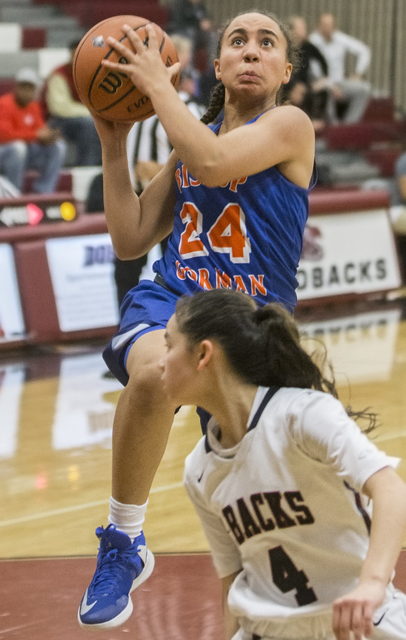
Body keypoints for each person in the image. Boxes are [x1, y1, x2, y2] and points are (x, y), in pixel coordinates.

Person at [77, 10, 315, 630]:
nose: (252, 51)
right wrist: (113, 139)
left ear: (285, 70)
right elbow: (130, 237)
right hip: (176, 300)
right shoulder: (191, 139)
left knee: (274, 512)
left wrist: (158, 87)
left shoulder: (289, 125)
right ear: (219, 64)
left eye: (268, 43)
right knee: (157, 370)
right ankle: (124, 541)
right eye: (238, 41)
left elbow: (213, 162)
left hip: (253, 320)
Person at [160, 287, 406, 640]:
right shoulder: (199, 469)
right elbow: (233, 582)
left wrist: (372, 584)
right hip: (267, 632)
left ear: (203, 353)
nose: (159, 361)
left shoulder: (302, 416)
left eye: (169, 345)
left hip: (358, 623)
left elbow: (390, 489)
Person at [0, 68, 66, 194]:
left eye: (30, 88)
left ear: (35, 90)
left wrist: (48, 136)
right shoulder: (4, 104)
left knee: (58, 146)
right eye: (23, 87)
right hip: (5, 152)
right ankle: (14, 194)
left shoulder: (33, 106)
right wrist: (36, 135)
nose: (26, 91)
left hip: (27, 152)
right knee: (18, 147)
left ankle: (44, 191)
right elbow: (4, 135)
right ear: (16, 87)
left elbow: (40, 128)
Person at [43, 40, 102, 166]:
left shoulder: (92, 73)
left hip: (81, 117)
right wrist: (93, 112)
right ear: (70, 54)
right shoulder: (60, 74)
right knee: (90, 123)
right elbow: (59, 108)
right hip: (57, 121)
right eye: (75, 54)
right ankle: (87, 166)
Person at [309, 13, 371, 124]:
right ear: (318, 26)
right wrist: (331, 86)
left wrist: (358, 73)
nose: (327, 28)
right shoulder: (312, 42)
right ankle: (334, 127)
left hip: (340, 82)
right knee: (325, 93)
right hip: (321, 83)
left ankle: (348, 126)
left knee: (364, 89)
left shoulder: (340, 38)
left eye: (330, 25)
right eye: (324, 25)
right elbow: (315, 71)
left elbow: (364, 51)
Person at [284, 16, 329, 130]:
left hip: (304, 81)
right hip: (288, 82)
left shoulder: (308, 46)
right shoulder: (285, 47)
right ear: (292, 30)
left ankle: (312, 120)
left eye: (304, 27)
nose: (304, 30)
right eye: (301, 28)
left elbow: (322, 60)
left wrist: (323, 78)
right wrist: (294, 85)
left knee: (320, 92)